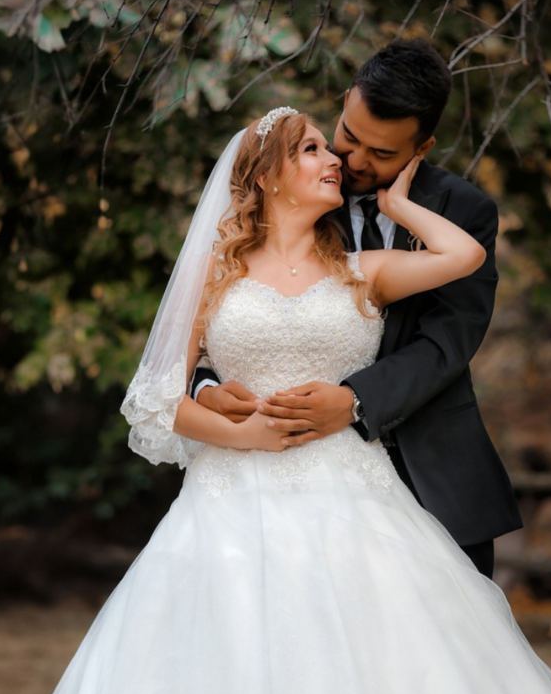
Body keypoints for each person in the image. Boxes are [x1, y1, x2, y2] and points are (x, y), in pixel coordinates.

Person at [51, 107, 551, 694]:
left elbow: (464, 257)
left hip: (350, 487)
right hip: (229, 496)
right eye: (314, 150)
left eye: (329, 148)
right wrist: (244, 435)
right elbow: (154, 399)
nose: (336, 162)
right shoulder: (216, 269)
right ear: (269, 176)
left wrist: (399, 207)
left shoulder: (360, 271)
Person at [191, 40, 522, 579]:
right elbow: (228, 311)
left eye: (383, 154)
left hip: (428, 465)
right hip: (284, 482)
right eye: (349, 136)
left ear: (423, 145)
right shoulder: (301, 189)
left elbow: (448, 341)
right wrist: (205, 387)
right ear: (346, 102)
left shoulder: (463, 212)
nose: (353, 162)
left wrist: (354, 401)